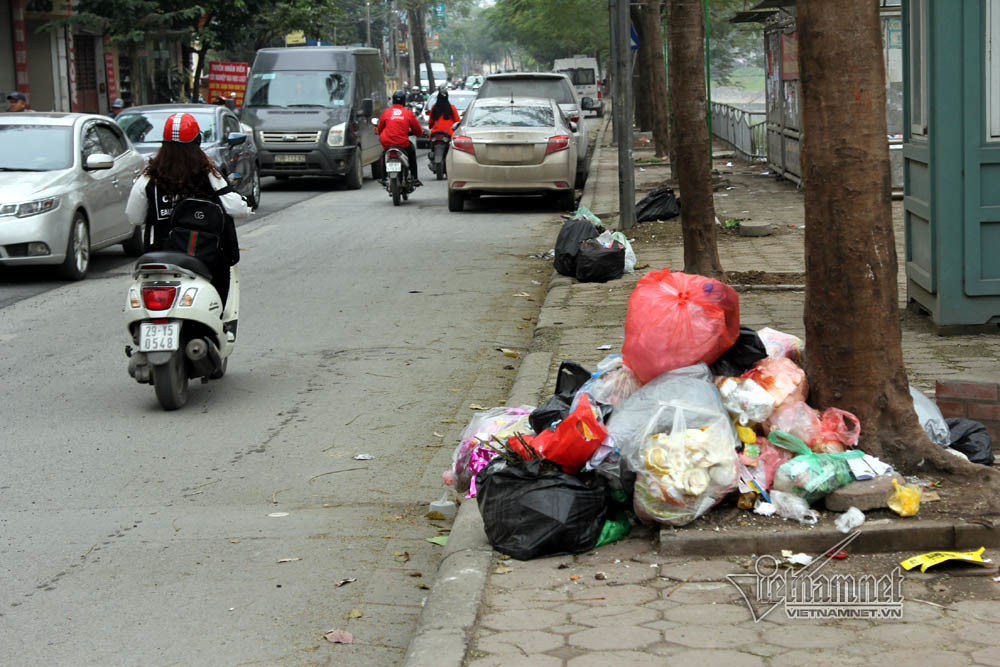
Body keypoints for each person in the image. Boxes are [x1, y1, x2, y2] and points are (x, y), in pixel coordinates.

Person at [125, 112, 250, 309]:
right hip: (204, 258)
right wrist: (245, 205)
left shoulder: (149, 178)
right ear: (197, 142)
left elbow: (134, 216)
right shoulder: (208, 175)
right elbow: (235, 206)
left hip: (159, 258)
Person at [376, 90, 424, 186]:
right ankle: (414, 178)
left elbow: (379, 130)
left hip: (387, 143)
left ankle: (383, 178)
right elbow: (418, 131)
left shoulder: (386, 112)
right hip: (402, 144)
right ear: (404, 101)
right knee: (412, 153)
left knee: (383, 155)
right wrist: (418, 134)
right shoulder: (408, 113)